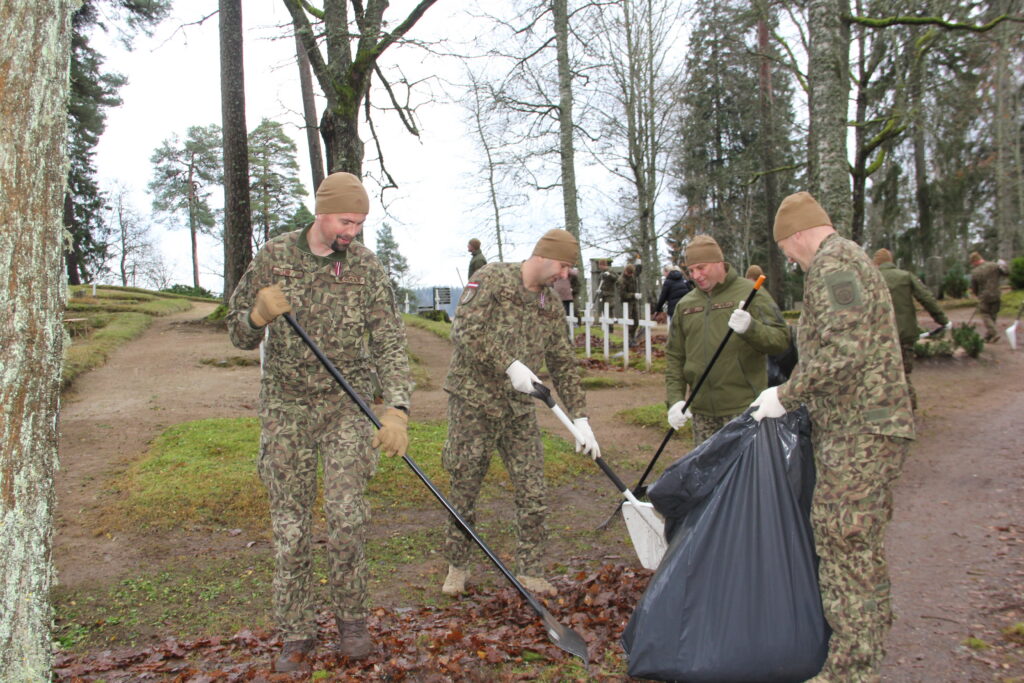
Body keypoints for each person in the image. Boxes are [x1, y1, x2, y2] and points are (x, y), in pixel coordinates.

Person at [227, 172, 411, 672]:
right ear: (321, 211)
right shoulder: (275, 256)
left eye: (360, 222)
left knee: (348, 518)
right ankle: (297, 633)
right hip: (286, 409)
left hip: (346, 408)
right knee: (291, 529)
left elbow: (390, 341)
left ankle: (351, 621)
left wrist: (396, 407)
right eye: (345, 220)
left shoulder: (367, 268)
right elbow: (237, 333)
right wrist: (256, 317)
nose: (352, 231)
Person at [750, 191, 915, 682]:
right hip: (857, 427)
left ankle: (852, 669)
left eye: (786, 249)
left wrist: (787, 393)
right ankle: (860, 646)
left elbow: (844, 350)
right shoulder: (845, 261)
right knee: (853, 542)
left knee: (846, 542)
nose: (789, 260)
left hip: (862, 430)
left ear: (797, 234)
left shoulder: (834, 264)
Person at [440, 229, 600, 598]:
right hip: (473, 401)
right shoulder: (492, 278)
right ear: (543, 256)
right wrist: (509, 364)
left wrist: (581, 418)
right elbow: (465, 330)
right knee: (465, 485)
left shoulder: (549, 305)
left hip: (517, 409)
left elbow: (562, 361)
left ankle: (530, 569)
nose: (564, 275)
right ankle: (457, 565)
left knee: (533, 489)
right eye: (562, 266)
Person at [665, 235, 790, 445]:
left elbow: (781, 340)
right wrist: (675, 400)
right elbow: (675, 356)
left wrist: (751, 328)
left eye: (701, 267)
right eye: (691, 270)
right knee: (706, 475)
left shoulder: (751, 294)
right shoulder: (686, 305)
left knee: (746, 476)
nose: (696, 275)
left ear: (718, 263)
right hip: (702, 412)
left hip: (743, 409)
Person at [873, 248, 949, 409]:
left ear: (876, 263)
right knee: (903, 372)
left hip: (880, 335)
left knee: (883, 373)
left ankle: (896, 410)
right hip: (905, 333)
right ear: (891, 261)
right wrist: (942, 320)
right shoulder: (905, 277)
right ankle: (909, 407)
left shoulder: (871, 279)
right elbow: (926, 298)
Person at [969, 250, 1004, 342]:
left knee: (985, 314)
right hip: (996, 294)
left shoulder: (975, 271)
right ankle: (989, 335)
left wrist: (977, 295)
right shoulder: (994, 265)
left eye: (972, 263)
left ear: (974, 261)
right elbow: (1006, 272)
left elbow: (974, 287)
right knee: (993, 315)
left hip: (984, 296)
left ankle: (993, 333)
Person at [616, 263, 643, 345]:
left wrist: (639, 263)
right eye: (629, 273)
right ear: (625, 271)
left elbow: (638, 271)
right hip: (626, 303)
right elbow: (623, 295)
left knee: (636, 321)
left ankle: (633, 337)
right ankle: (629, 339)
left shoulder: (633, 276)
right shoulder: (621, 281)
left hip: (634, 302)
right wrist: (633, 295)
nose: (631, 275)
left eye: (632, 273)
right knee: (628, 322)